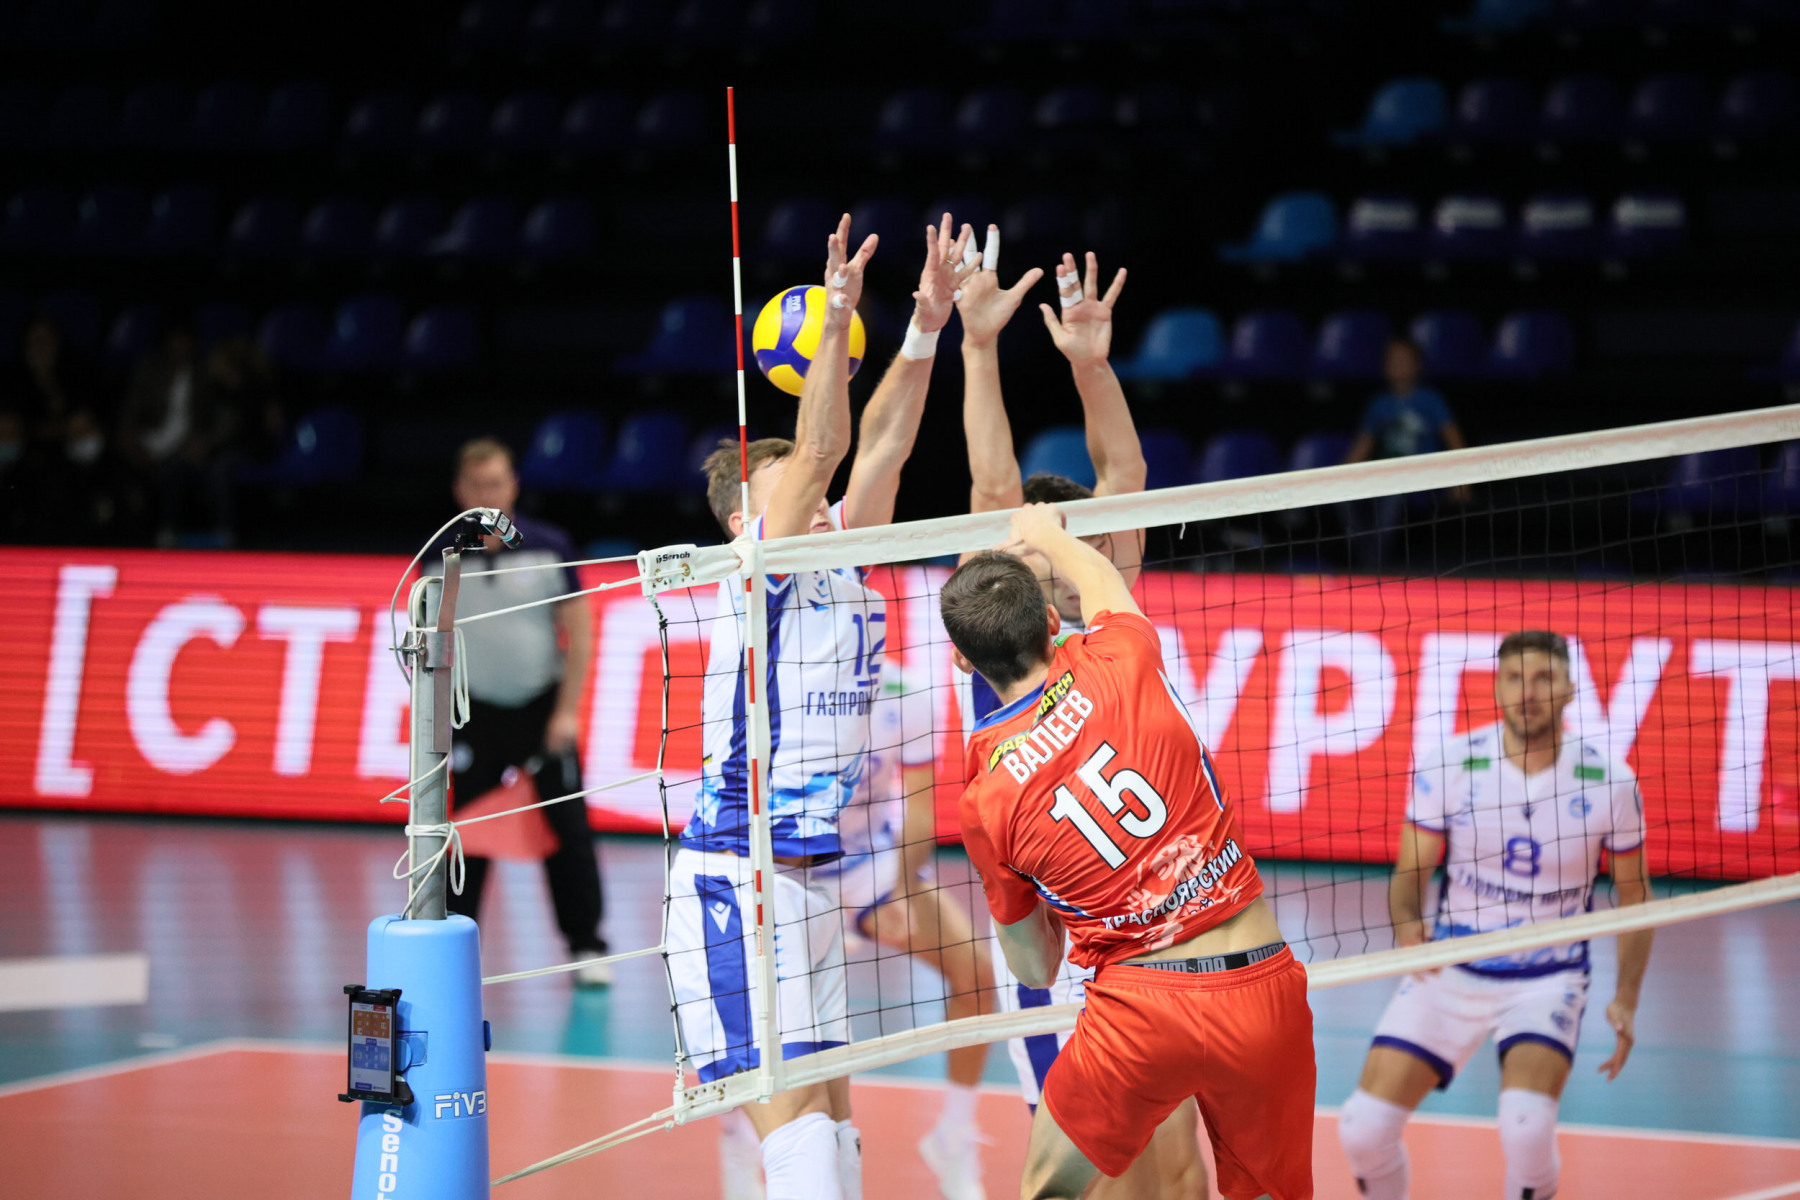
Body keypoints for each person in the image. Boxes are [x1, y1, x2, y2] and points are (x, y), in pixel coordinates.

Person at [675, 211, 972, 1200]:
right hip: (738, 873)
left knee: (837, 1133)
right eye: (790, 487)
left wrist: (924, 328)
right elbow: (824, 448)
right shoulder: (753, 568)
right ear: (743, 519)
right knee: (798, 1136)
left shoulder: (837, 556)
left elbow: (880, 446)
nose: (814, 495)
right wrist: (838, 320)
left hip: (811, 886)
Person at [946, 504, 1316, 1200]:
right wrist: (1045, 532)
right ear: (1052, 622)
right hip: (1259, 985)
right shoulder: (1123, 656)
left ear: (962, 658)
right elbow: (1099, 579)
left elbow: (1035, 967)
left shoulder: (985, 800)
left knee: (1046, 1190)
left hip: (1142, 1009)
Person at [957, 241, 1208, 1198]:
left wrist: (1093, 366)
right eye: (1032, 555)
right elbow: (991, 490)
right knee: (1099, 1173)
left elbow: (1124, 469)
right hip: (1056, 945)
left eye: (1066, 554)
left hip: (1154, 921)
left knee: (1179, 1168)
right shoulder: (996, 630)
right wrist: (978, 348)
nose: (1050, 572)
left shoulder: (1107, 627)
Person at [1336, 631, 1654, 1200]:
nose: (1526, 692)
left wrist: (1626, 997)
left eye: (1543, 678)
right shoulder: (1451, 763)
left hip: (1548, 976)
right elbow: (1410, 872)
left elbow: (1635, 898)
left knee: (1526, 1130)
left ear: (1570, 689)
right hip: (1454, 963)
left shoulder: (1611, 780)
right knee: (1363, 1128)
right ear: (1497, 689)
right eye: (1513, 679)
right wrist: (1407, 926)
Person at [431, 438, 612, 986]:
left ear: (513, 486)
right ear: (459, 490)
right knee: (465, 833)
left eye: (497, 483)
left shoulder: (550, 546)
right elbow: (430, 642)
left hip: (541, 711)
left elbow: (579, 633)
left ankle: (586, 944)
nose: (487, 495)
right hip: (474, 714)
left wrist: (566, 712)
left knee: (566, 828)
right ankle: (453, 948)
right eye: (477, 485)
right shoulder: (439, 554)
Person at [1341, 337, 1471, 570]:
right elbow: (1361, 447)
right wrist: (1336, 482)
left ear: (1418, 365)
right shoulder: (1379, 405)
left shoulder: (1431, 400)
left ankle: (1375, 565)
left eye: (1404, 360)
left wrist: (1462, 482)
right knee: (1345, 499)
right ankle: (1366, 561)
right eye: (1392, 360)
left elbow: (1454, 441)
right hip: (1384, 477)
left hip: (1423, 478)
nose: (1398, 365)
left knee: (1393, 496)